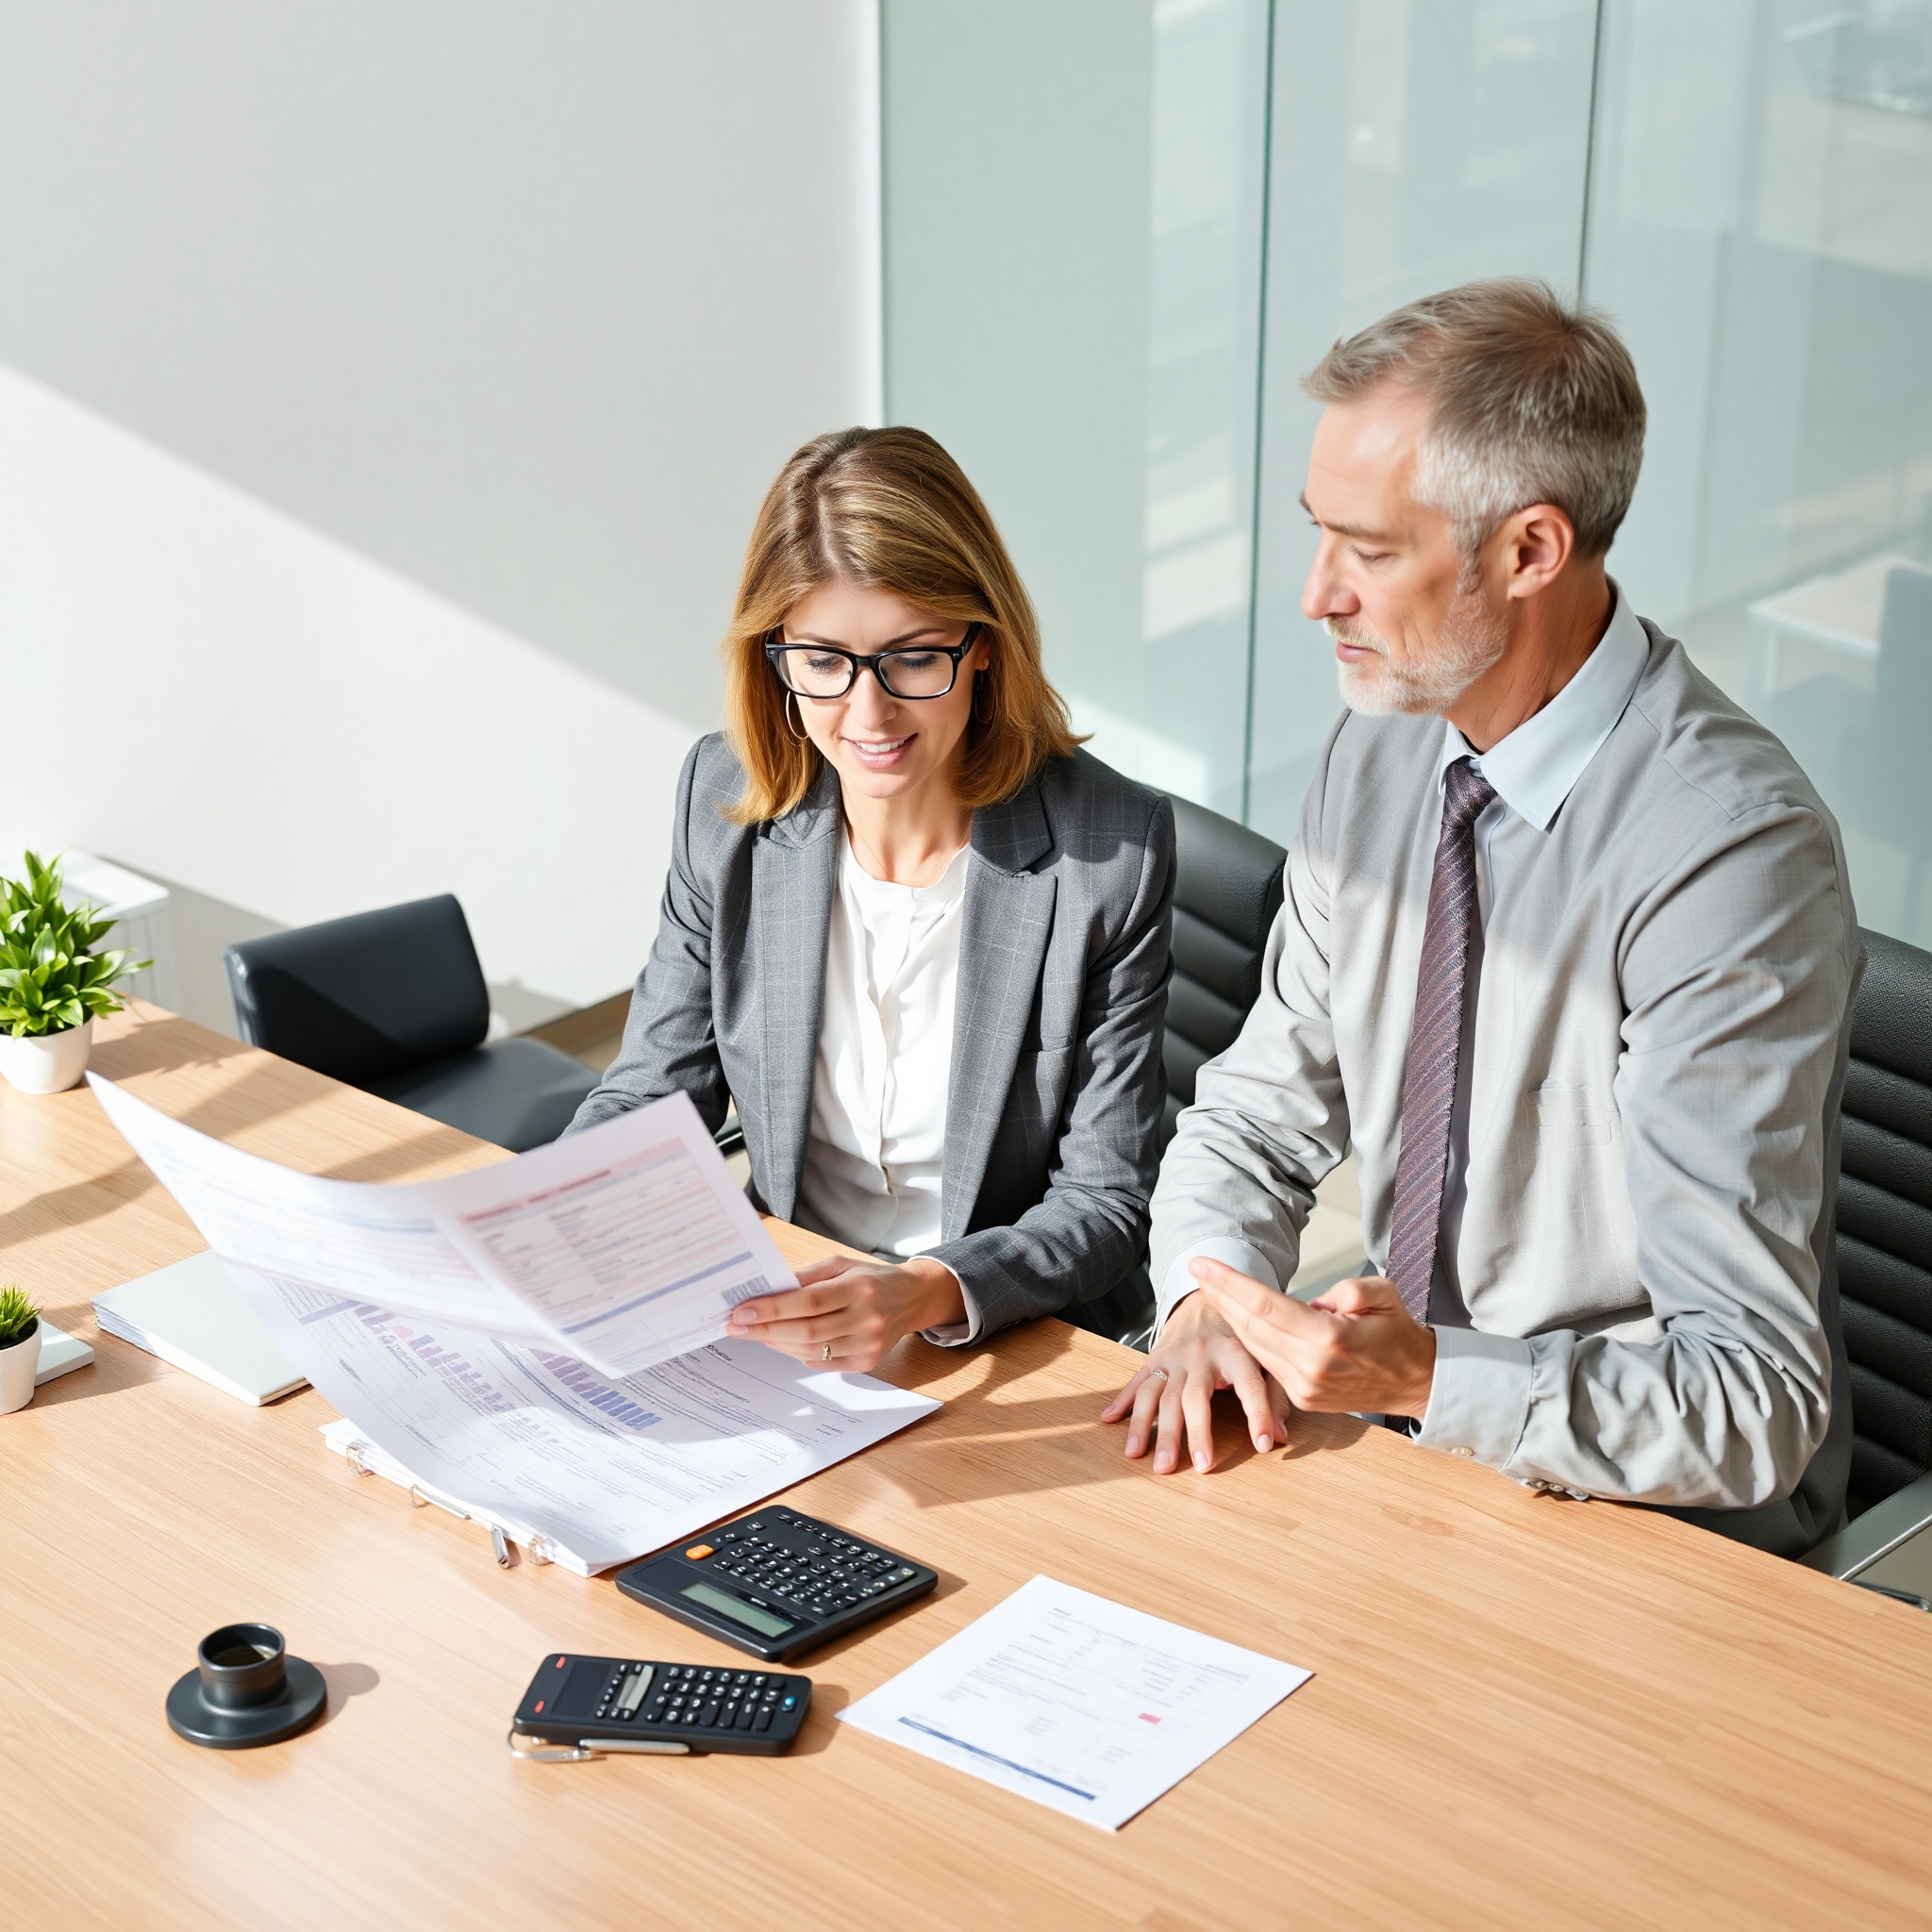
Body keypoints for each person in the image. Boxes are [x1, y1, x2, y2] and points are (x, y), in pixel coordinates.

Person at [1102, 279, 1858, 1556]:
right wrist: (1208, 1302)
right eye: (1317, 534)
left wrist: (1420, 1382)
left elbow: (1753, 1403)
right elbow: (1259, 1110)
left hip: (1643, 1524)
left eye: (1371, 550)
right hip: (1415, 1460)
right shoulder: (1384, 750)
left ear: (1529, 552)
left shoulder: (1729, 856)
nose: (1317, 596)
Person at [571, 425, 1174, 1373]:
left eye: (911, 658)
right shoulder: (722, 806)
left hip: (1007, 1331)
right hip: (794, 1306)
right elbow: (654, 1086)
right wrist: (532, 1217)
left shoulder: (1108, 855)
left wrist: (929, 1288)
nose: (867, 715)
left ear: (983, 646)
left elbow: (1105, 1198)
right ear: (773, 654)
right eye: (822, 661)